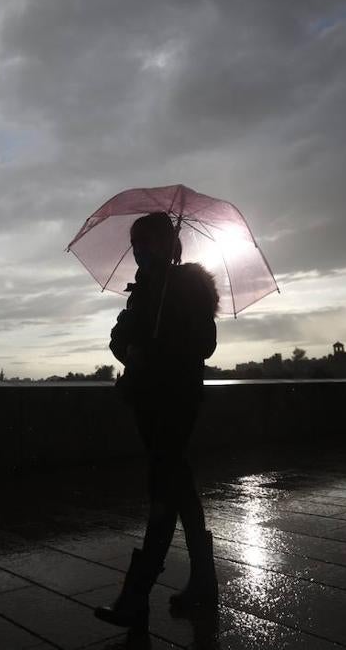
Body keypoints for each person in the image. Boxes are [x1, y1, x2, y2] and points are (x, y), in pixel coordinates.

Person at [94, 211, 219, 631]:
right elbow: (119, 339)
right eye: (136, 244)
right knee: (177, 485)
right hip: (147, 400)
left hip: (176, 400)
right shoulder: (144, 291)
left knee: (164, 488)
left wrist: (159, 344)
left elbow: (204, 343)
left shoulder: (190, 288)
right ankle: (204, 582)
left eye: (147, 243)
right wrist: (130, 347)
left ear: (167, 245)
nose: (140, 252)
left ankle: (137, 594)